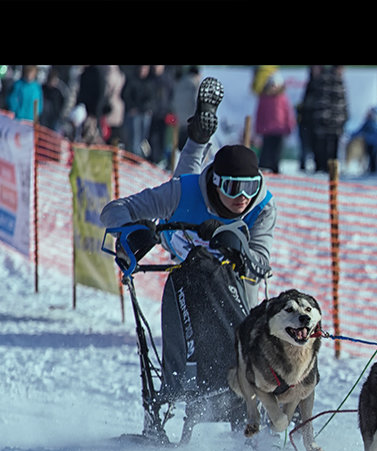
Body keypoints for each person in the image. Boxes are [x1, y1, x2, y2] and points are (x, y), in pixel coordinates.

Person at [99, 77, 276, 305]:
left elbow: (261, 266)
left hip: (233, 281)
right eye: (232, 187)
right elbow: (114, 210)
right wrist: (128, 232)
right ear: (217, 182)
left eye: (250, 187)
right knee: (188, 190)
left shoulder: (262, 207)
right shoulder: (180, 192)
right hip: (181, 245)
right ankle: (197, 141)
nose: (243, 196)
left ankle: (197, 139)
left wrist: (239, 250)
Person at [254, 71, 295, 174]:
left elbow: (288, 113)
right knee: (266, 150)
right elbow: (259, 114)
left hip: (279, 130)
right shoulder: (264, 98)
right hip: (267, 130)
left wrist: (289, 126)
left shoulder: (283, 98)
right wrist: (258, 128)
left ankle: (275, 168)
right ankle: (263, 168)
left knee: (277, 152)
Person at [310, 65, 348, 174]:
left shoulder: (323, 79)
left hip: (330, 119)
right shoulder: (329, 79)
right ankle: (328, 169)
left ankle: (325, 168)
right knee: (326, 146)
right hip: (330, 119)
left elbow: (342, 101)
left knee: (327, 146)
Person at [121, 65, 155, 157]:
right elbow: (125, 95)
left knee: (144, 138)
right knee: (134, 138)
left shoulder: (150, 82)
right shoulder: (132, 80)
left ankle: (143, 156)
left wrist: (148, 108)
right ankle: (135, 156)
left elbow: (152, 98)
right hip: (134, 114)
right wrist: (132, 108)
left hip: (145, 113)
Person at [296, 65, 321, 171]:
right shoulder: (310, 83)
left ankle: (317, 164)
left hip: (316, 120)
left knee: (316, 145)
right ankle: (303, 164)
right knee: (305, 145)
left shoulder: (321, 83)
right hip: (306, 120)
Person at [172, 65, 200, 151]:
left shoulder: (180, 83)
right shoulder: (195, 86)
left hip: (180, 120)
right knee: (190, 148)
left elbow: (174, 100)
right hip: (191, 121)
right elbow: (196, 102)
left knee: (180, 147)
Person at [350, 106, 377, 174]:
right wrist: (352, 135)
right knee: (370, 156)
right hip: (369, 143)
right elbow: (360, 130)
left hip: (376, 144)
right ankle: (371, 169)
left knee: (374, 157)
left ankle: (374, 170)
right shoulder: (368, 122)